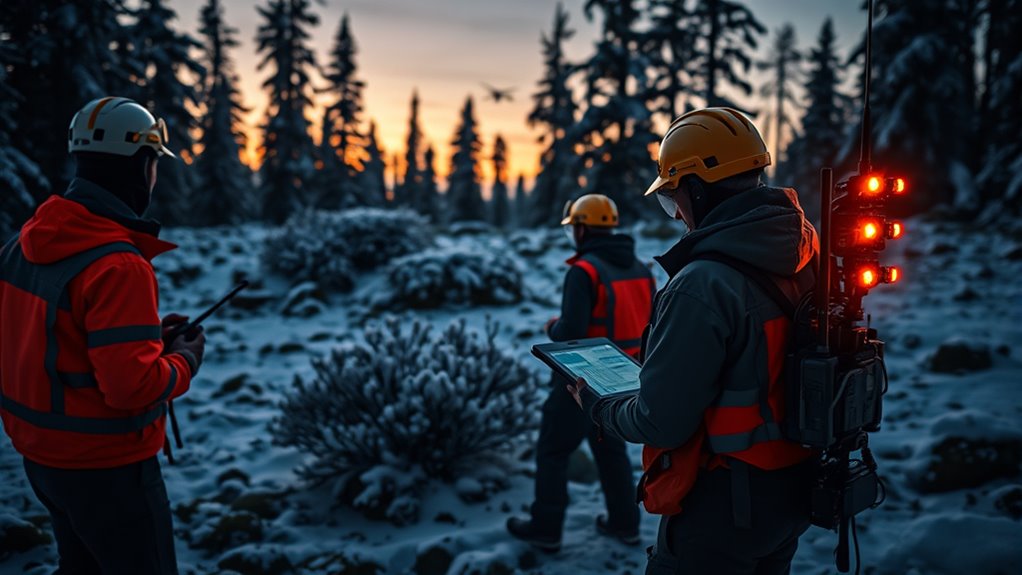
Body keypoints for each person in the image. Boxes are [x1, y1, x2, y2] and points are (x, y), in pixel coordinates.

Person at [569, 108, 819, 574]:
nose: (678, 213)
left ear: (697, 189)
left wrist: (598, 406)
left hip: (723, 506)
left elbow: (660, 423)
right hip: (795, 490)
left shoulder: (702, 285)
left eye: (673, 196)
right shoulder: (803, 252)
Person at [0, 96, 205, 574]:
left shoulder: (24, 242)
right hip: (110, 469)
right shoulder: (118, 265)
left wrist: (146, 338)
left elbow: (49, 337)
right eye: (154, 163)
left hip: (42, 459)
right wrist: (185, 361)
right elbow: (132, 388)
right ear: (141, 165)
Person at [507, 194, 655, 553]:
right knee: (611, 451)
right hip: (625, 379)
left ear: (582, 229)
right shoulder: (641, 268)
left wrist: (552, 326)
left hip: (579, 381)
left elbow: (570, 331)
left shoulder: (584, 271)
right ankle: (625, 523)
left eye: (574, 227)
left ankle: (546, 529)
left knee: (553, 451)